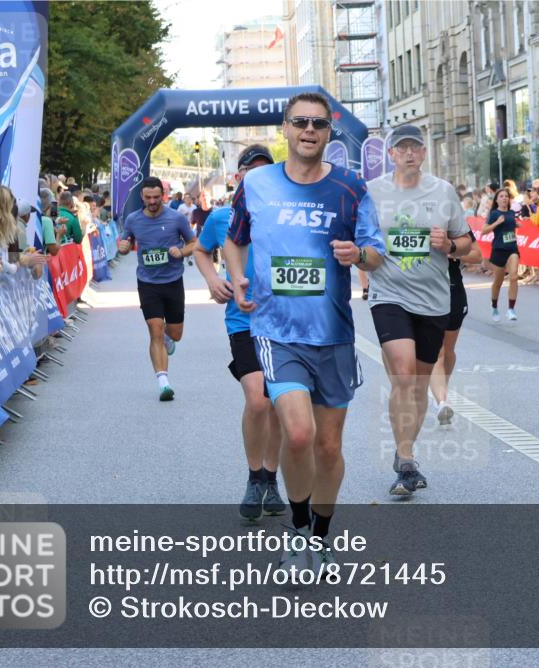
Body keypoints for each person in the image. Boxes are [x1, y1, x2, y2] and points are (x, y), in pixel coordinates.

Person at [224, 92, 385, 579]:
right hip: (276, 330)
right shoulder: (256, 183)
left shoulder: (351, 187)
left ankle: (320, 536)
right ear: (286, 128)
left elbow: (376, 252)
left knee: (329, 447)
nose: (309, 130)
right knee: (297, 434)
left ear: (329, 130)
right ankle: (297, 533)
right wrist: (238, 278)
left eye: (318, 123)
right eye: (300, 122)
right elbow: (235, 239)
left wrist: (358, 257)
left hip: (332, 332)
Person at [367, 123, 474, 496]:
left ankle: (404, 456)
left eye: (415, 147)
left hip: (433, 299)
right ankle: (407, 459)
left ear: (424, 153)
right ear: (391, 154)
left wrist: (450, 246)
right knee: (404, 370)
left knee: (418, 382)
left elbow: (470, 247)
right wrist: (362, 260)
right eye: (402, 148)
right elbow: (361, 242)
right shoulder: (373, 193)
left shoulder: (443, 192)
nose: (409, 153)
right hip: (389, 294)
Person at [193, 144, 285, 521]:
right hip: (243, 320)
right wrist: (214, 279)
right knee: (258, 400)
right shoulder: (221, 217)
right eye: (252, 170)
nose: (258, 177)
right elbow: (201, 251)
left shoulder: (284, 214)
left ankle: (272, 478)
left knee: (280, 402)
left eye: (266, 170)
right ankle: (254, 476)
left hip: (283, 320)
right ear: (239, 176)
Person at [117, 175, 197, 401]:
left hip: (173, 281)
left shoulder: (176, 218)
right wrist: (123, 247)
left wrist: (181, 252)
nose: (152, 201)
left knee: (175, 334)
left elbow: (194, 243)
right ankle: (163, 383)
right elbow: (125, 244)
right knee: (155, 329)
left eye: (156, 197)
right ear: (141, 196)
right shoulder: (133, 219)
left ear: (163, 196)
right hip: (147, 282)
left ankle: (168, 339)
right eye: (148, 197)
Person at [430, 234, 482, 426]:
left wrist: (452, 250)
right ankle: (442, 401)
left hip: (453, 290)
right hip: (427, 290)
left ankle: (443, 387)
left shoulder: (457, 225)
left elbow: (478, 256)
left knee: (448, 350)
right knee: (438, 352)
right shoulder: (416, 219)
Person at [482, 187, 521, 322]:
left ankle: (511, 309)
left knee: (514, 276)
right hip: (498, 250)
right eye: (501, 196)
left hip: (512, 249)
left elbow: (512, 226)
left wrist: (517, 224)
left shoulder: (511, 213)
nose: (504, 198)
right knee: (498, 282)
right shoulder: (494, 214)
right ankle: (494, 307)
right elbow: (484, 231)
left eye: (506, 196)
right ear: (497, 200)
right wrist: (497, 223)